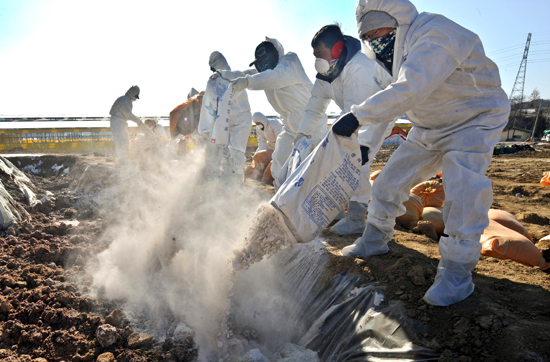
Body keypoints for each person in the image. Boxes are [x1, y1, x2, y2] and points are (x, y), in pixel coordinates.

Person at [332, 0, 510, 306]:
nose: (376, 38)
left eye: (381, 29)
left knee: (463, 189)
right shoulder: (384, 58)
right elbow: (389, 104)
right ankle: (374, 239)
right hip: (428, 126)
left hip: (473, 118)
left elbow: (411, 87)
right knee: (389, 181)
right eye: (368, 34)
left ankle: (456, 275)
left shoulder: (434, 33)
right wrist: (365, 146)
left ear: (399, 21)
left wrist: (357, 115)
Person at [298, 24, 395, 236]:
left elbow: (355, 108)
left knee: (357, 157)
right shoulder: (327, 73)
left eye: (321, 54)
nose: (318, 60)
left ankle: (356, 218)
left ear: (336, 50)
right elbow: (315, 106)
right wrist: (302, 135)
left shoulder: (358, 66)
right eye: (315, 55)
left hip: (376, 115)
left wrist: (345, 143)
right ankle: (336, 210)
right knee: (335, 157)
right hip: (352, 115)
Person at [230, 37, 326, 185]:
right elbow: (246, 74)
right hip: (290, 127)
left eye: (263, 62)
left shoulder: (290, 62)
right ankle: (279, 199)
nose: (261, 67)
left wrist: (247, 82)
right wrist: (227, 77)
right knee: (280, 162)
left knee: (310, 168)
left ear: (273, 57)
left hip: (311, 126)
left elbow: (275, 77)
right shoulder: (265, 72)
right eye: (259, 64)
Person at [208, 51, 253, 180]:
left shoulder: (236, 75)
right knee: (225, 153)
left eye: (213, 66)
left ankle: (236, 183)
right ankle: (228, 183)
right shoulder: (215, 82)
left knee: (237, 153)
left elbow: (254, 73)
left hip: (241, 120)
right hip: (226, 121)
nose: (212, 70)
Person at [109, 85, 147, 162]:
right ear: (132, 93)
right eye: (135, 96)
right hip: (117, 121)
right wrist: (138, 121)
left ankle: (125, 158)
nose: (135, 98)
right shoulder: (124, 100)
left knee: (125, 140)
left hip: (121, 121)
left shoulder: (128, 101)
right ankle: (123, 159)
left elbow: (127, 115)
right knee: (121, 140)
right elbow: (128, 114)